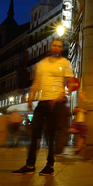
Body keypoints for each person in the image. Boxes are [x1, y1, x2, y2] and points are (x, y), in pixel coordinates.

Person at [13, 39, 74, 176]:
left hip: (56, 103)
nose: (56, 48)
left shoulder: (65, 63)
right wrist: (31, 96)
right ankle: (30, 165)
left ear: (61, 48)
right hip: (42, 101)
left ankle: (50, 165)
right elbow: (37, 81)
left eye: (59, 46)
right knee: (34, 133)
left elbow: (71, 83)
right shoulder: (42, 64)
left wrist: (61, 96)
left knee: (50, 135)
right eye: (54, 45)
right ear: (50, 47)